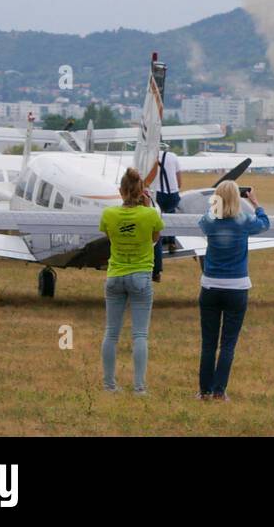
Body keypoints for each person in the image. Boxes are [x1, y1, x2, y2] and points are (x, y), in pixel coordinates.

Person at [197, 181, 269, 400]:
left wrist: (215, 203)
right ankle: (220, 391)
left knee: (208, 344)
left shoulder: (209, 222)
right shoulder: (244, 222)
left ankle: (205, 391)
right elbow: (265, 223)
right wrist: (255, 203)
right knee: (227, 344)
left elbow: (203, 219)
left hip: (210, 286)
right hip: (237, 288)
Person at [98, 168, 165, 394]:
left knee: (111, 333)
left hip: (115, 274)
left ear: (120, 191)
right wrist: (147, 209)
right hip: (140, 276)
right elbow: (154, 239)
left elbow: (110, 236)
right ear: (141, 192)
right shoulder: (151, 215)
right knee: (139, 335)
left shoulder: (108, 214)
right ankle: (139, 387)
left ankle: (109, 385)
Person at [151, 146, 182, 283]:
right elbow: (179, 180)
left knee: (157, 227)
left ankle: (157, 270)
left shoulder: (150, 158)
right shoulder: (173, 156)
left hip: (158, 194)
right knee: (171, 215)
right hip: (173, 194)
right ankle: (172, 241)